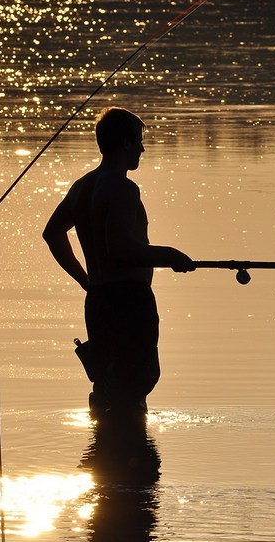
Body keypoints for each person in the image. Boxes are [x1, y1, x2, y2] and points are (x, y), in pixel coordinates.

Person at [43, 107, 194, 429]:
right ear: (125, 143)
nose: (142, 148)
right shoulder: (122, 188)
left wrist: (86, 281)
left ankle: (108, 461)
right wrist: (171, 256)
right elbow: (123, 250)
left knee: (108, 381)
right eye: (138, 141)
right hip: (128, 300)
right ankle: (132, 466)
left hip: (98, 300)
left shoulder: (83, 186)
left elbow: (53, 233)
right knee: (134, 382)